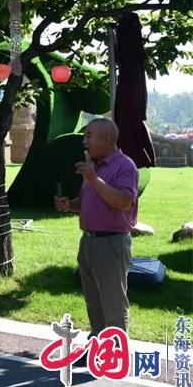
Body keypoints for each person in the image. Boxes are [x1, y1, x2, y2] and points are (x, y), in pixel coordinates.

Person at [54, 118, 138, 336]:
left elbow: (124, 202)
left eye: (89, 136)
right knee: (94, 302)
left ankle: (116, 353)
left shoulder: (125, 166)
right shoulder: (94, 167)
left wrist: (94, 179)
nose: (84, 141)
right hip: (89, 242)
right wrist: (69, 205)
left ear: (107, 139)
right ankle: (98, 347)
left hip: (112, 243)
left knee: (113, 304)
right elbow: (85, 202)